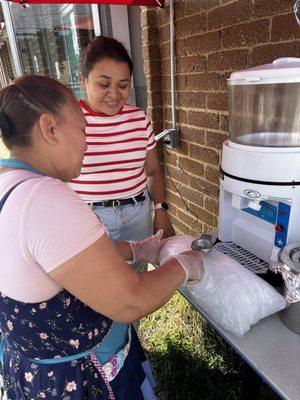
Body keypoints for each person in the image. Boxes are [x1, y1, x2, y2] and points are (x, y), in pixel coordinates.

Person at [0, 75, 203, 400]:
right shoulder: (44, 199)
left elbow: (55, 256)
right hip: (80, 378)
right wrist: (184, 264)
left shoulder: (9, 183)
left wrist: (134, 250)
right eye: (82, 130)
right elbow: (131, 300)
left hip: (30, 368)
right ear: (49, 128)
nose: (87, 143)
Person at [69, 35, 175, 274]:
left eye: (123, 84)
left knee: (135, 278)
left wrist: (160, 209)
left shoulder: (138, 119)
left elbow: (153, 171)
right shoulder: (70, 120)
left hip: (137, 214)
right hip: (89, 217)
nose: (114, 94)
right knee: (95, 281)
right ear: (84, 80)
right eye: (104, 84)